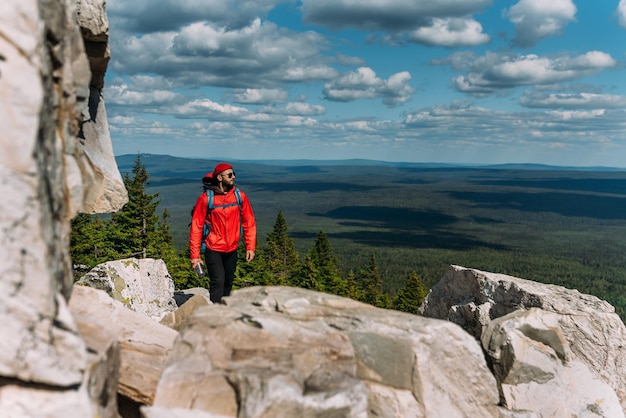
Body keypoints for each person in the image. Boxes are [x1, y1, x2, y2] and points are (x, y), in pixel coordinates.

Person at [189, 163, 256, 303]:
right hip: (213, 248)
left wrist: (250, 246)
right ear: (219, 177)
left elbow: (249, 221)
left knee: (228, 283)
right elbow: (196, 227)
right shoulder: (206, 199)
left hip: (232, 248)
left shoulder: (239, 196)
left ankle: (224, 312)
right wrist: (195, 256)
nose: (233, 177)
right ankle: (215, 316)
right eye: (230, 175)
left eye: (234, 174)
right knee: (218, 282)